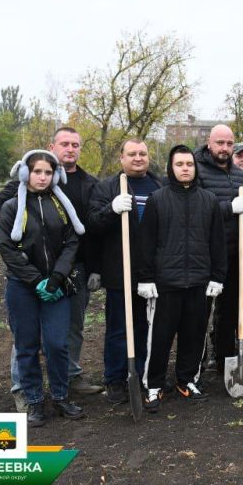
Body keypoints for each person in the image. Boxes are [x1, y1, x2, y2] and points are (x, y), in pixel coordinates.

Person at [0, 126, 104, 404]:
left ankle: (69, 377)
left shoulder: (89, 183)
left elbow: (90, 229)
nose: (71, 149)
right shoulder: (29, 178)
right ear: (52, 146)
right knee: (27, 334)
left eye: (76, 144)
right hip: (29, 274)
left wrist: (96, 268)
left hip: (73, 270)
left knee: (70, 330)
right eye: (65, 144)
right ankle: (22, 387)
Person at [0, 150, 86, 426]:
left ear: (55, 175)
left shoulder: (61, 205)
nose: (43, 177)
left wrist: (56, 279)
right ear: (26, 173)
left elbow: (72, 243)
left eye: (48, 172)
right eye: (38, 172)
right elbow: (8, 249)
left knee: (58, 344)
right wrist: (37, 281)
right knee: (26, 346)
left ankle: (60, 397)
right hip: (22, 287)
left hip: (57, 288)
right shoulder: (12, 207)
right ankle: (34, 401)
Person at [137, 146, 227, 410]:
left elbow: (217, 243)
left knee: (194, 336)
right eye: (180, 164)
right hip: (166, 284)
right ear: (171, 167)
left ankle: (187, 380)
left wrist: (217, 277)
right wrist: (146, 278)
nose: (185, 168)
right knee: (160, 338)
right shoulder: (158, 199)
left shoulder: (208, 200)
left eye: (189, 163)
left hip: (199, 283)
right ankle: (153, 385)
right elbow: (146, 243)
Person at [88, 138, 164, 404]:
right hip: (120, 270)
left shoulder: (159, 186)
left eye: (142, 153)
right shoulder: (108, 187)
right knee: (119, 328)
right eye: (132, 154)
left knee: (146, 327)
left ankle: (141, 374)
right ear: (121, 158)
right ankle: (115, 379)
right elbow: (92, 223)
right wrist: (112, 209)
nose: (138, 158)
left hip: (152, 272)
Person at [193, 125, 243, 373]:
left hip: (233, 252)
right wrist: (228, 207)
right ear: (209, 143)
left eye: (229, 143)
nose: (225, 148)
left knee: (229, 311)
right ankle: (195, 362)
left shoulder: (239, 175)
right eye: (220, 143)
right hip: (204, 254)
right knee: (199, 311)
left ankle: (225, 358)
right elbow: (194, 207)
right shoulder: (196, 169)